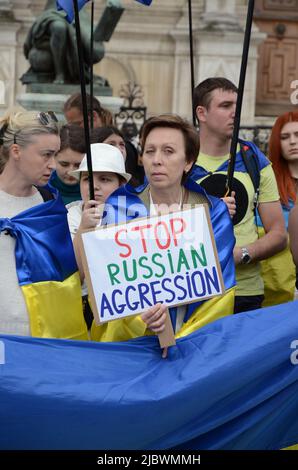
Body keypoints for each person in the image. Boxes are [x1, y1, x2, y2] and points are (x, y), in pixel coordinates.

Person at [90, 114, 236, 343]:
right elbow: (108, 288)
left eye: (168, 151)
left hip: (194, 340)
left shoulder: (212, 211)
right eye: (150, 151)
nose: (157, 160)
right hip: (133, 341)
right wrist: (141, 320)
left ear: (188, 162)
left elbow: (220, 293)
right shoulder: (119, 207)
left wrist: (181, 340)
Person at [191, 77, 287, 314]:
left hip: (245, 292)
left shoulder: (253, 160)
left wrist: (242, 255)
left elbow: (278, 234)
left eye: (237, 105)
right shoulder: (181, 162)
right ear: (202, 113)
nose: (235, 112)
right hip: (194, 291)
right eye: (225, 106)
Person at [0, 108, 87, 340]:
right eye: (45, 155)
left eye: (55, 155)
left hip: (41, 338)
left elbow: (68, 279)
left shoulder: (50, 203)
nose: (52, 165)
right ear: (16, 151)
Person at [67, 143, 131, 328]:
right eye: (87, 179)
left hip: (122, 316)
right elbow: (72, 279)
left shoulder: (136, 216)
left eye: (104, 179)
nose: (95, 186)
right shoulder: (68, 217)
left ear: (122, 184)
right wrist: (84, 229)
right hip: (80, 314)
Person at [22, 0, 123, 85]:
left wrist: (111, 13)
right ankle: (60, 74)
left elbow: (97, 52)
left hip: (77, 13)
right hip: (55, 10)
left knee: (95, 47)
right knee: (59, 27)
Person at [258, 111, 298, 306]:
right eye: (285, 137)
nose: (292, 141)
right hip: (280, 286)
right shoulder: (267, 180)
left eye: (297, 135)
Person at [49, 124, 86, 205]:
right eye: (64, 164)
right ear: (53, 158)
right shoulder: (41, 188)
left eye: (78, 165)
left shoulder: (97, 191)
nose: (70, 171)